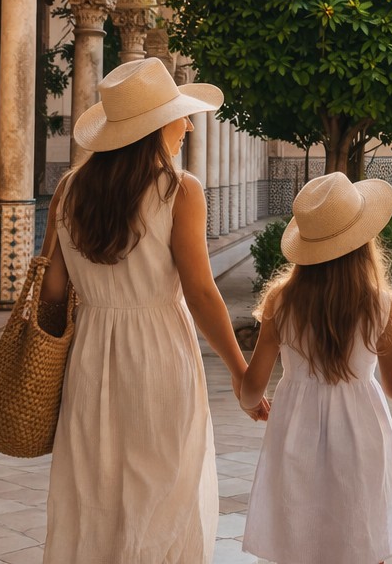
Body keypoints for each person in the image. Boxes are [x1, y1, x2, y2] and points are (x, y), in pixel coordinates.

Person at [41, 57, 263, 564]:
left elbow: (52, 291)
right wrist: (239, 371)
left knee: (95, 492)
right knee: (164, 489)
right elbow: (202, 293)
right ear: (153, 126)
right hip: (160, 351)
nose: (187, 125)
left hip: (91, 356)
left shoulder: (69, 191)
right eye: (179, 116)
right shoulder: (178, 190)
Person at [239, 172, 392, 563]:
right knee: (362, 528)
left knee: (298, 531)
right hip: (362, 430)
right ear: (363, 243)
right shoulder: (382, 306)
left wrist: (251, 402)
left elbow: (252, 385)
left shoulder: (280, 301)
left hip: (295, 430)